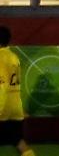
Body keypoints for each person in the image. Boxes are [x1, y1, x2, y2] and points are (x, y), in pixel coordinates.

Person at [0, 25, 36, 156]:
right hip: (15, 106)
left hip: (2, 105)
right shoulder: (14, 57)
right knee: (18, 141)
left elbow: (2, 83)